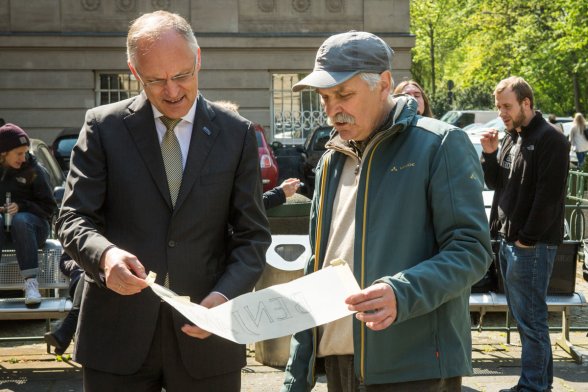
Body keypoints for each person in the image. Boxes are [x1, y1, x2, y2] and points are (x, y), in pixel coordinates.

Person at [56, 10, 271, 391]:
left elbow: (252, 236)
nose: (172, 91)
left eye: (182, 75)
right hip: (116, 338)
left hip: (208, 335)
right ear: (133, 71)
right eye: (155, 80)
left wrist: (224, 296)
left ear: (198, 58)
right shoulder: (103, 127)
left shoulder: (235, 134)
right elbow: (73, 219)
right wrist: (106, 258)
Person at [281, 31, 492, 391]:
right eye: (325, 98)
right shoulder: (331, 161)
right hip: (337, 361)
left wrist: (402, 292)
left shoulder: (439, 144)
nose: (332, 109)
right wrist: (296, 373)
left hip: (414, 366)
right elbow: (316, 267)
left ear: (384, 84)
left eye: (344, 94)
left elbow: (472, 250)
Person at [480, 76, 570, 392]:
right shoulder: (510, 137)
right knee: (527, 321)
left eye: (507, 106)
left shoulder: (552, 140)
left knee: (532, 321)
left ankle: (533, 386)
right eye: (499, 107)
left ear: (526, 103)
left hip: (530, 246)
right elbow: (495, 185)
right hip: (509, 242)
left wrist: (526, 239)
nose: (502, 113)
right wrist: (490, 153)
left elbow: (548, 197)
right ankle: (538, 384)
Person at [0, 123, 56, 306]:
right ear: (3, 153)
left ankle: (31, 283)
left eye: (25, 152)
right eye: (18, 153)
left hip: (35, 228)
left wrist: (22, 206)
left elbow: (49, 208)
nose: (23, 158)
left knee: (21, 220)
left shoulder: (35, 170)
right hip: (4, 231)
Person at [43, 253, 84, 355]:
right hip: (81, 280)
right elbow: (65, 261)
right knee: (89, 276)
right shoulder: (79, 238)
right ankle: (64, 334)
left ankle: (64, 335)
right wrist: (84, 263)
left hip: (112, 282)